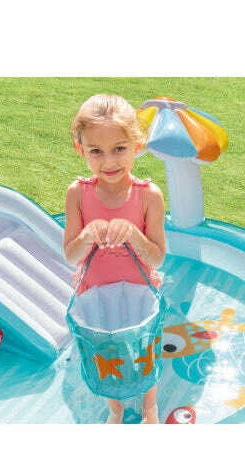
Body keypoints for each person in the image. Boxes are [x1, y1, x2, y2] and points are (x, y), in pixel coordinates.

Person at [63, 94, 166, 424]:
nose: (108, 161)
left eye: (119, 148)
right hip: (94, 292)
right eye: (96, 151)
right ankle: (115, 408)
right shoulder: (78, 194)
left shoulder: (148, 196)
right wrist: (87, 235)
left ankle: (149, 405)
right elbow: (71, 255)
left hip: (139, 290)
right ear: (81, 149)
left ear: (138, 144)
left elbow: (157, 258)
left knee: (143, 348)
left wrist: (133, 234)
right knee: (104, 353)